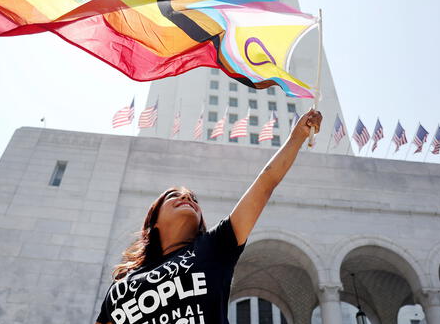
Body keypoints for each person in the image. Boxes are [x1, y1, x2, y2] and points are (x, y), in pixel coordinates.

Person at [95, 109, 323, 324]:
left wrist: (297, 137)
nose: (187, 198)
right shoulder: (122, 285)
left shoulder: (214, 247)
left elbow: (266, 182)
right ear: (153, 222)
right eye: (175, 195)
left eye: (193, 199)